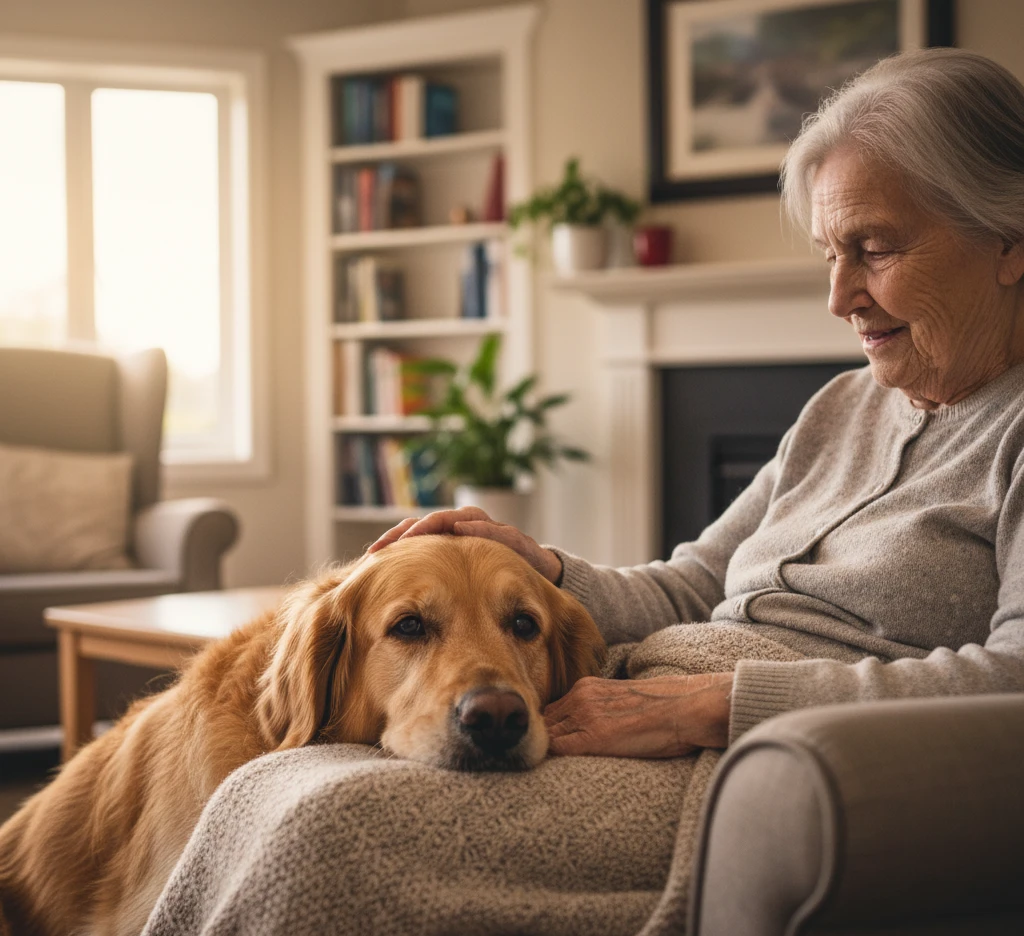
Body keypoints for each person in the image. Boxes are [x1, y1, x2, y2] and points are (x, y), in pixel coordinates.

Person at [371, 47, 1024, 758]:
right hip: (646, 702)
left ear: (1008, 239)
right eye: (830, 255)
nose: (839, 300)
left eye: (876, 249)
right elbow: (695, 586)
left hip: (757, 756)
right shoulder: (843, 406)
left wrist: (715, 707)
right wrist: (545, 569)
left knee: (331, 824)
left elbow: (1014, 678)